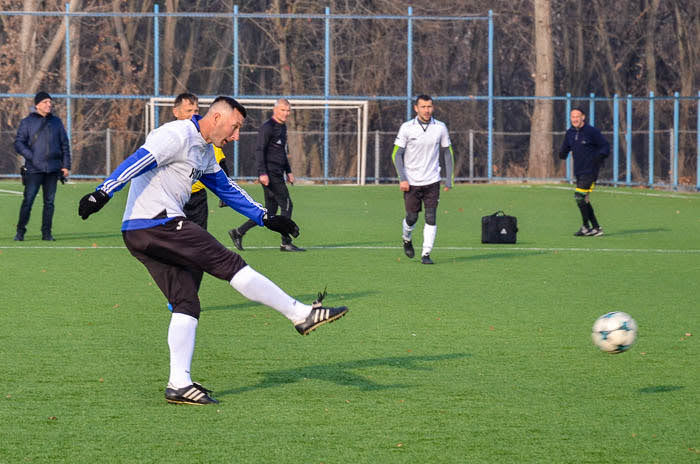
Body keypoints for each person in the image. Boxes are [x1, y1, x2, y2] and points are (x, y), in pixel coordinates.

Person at [78, 96, 348, 405]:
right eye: (234, 128)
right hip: (156, 223)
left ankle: (178, 384)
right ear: (217, 117)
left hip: (141, 232)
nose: (235, 137)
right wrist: (102, 193)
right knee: (228, 262)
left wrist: (265, 217)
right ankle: (300, 314)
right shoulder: (177, 134)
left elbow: (225, 188)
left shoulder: (205, 151)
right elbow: (139, 160)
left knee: (186, 301)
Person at [228, 98, 305, 252]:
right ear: (275, 110)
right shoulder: (267, 127)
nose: (286, 113)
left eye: (288, 110)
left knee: (269, 212)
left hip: (277, 173)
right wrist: (262, 172)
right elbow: (259, 150)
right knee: (287, 205)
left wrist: (288, 171)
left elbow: (281, 152)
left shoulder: (282, 128)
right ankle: (286, 242)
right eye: (283, 110)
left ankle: (238, 232)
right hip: (270, 174)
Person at [171, 93, 229, 294]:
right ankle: (177, 291)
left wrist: (224, 194)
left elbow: (220, 164)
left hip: (198, 201)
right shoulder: (169, 136)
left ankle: (189, 294)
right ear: (176, 112)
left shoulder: (205, 136)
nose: (193, 115)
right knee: (173, 250)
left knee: (198, 249)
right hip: (173, 201)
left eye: (195, 111)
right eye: (188, 111)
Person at [391, 94, 454, 265]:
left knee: (431, 217)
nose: (427, 110)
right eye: (423, 107)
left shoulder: (440, 127)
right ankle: (406, 238)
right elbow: (396, 154)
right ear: (416, 108)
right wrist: (402, 178)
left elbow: (447, 153)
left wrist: (449, 179)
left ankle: (426, 254)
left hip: (432, 180)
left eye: (429, 106)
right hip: (411, 182)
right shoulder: (406, 128)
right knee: (412, 218)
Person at [13, 91, 71, 241]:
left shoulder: (56, 122)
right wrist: (32, 157)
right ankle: (20, 232)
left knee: (49, 203)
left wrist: (66, 166)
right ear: (37, 105)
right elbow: (19, 143)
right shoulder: (27, 122)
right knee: (28, 201)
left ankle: (47, 233)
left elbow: (65, 145)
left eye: (50, 102)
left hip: (53, 169)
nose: (49, 104)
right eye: (45, 102)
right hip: (34, 169)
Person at [558, 108, 609, 236]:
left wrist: (599, 157)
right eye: (572, 116)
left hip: (591, 170)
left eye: (577, 116)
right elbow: (565, 148)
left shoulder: (592, 131)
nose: (575, 119)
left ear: (583, 117)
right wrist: (562, 153)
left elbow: (605, 146)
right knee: (584, 199)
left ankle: (587, 227)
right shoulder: (570, 133)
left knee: (579, 196)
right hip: (579, 171)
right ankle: (594, 227)